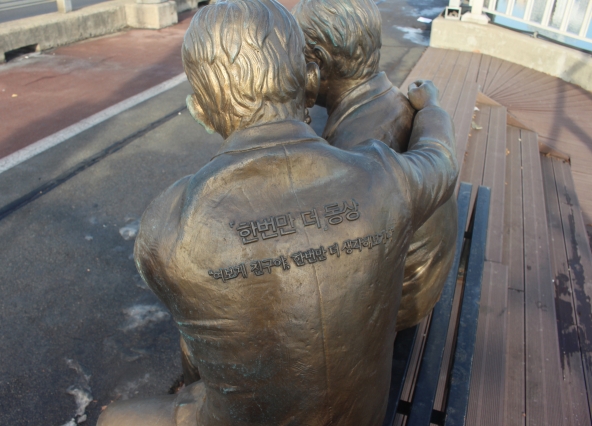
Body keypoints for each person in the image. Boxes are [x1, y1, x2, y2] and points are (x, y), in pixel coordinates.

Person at [97, 0, 457, 424]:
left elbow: (199, 340)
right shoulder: (384, 176)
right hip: (365, 413)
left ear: (199, 110)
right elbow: (441, 157)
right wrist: (430, 105)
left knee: (113, 418)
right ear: (309, 80)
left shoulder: (168, 222)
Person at [293, 0, 459, 331]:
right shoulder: (388, 98)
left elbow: (335, 272)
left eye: (296, 59)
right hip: (421, 280)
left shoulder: (355, 154)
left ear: (320, 63)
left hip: (399, 305)